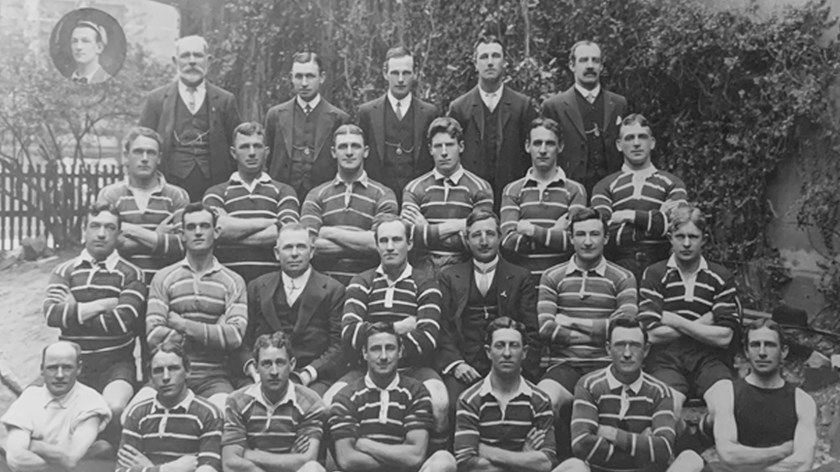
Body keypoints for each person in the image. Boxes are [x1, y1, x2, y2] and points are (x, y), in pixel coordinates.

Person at [333, 215, 449, 449]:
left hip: (414, 370)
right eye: (383, 240)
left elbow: (426, 339)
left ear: (410, 244)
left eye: (396, 239)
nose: (389, 247)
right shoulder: (361, 281)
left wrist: (374, 338)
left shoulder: (426, 283)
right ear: (376, 245)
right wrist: (397, 328)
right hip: (364, 370)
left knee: (439, 402)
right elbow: (349, 335)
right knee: (329, 402)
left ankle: (431, 460)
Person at [536, 208, 637, 458]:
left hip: (608, 367)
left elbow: (625, 327)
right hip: (565, 365)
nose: (588, 241)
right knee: (544, 399)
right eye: (580, 234)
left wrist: (570, 321)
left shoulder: (622, 277)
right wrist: (602, 332)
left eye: (595, 234)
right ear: (570, 238)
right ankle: (550, 461)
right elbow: (547, 328)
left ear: (606, 238)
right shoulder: (552, 276)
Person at [43, 203, 147, 442]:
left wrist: (73, 307)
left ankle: (100, 459)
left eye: (110, 227)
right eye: (95, 226)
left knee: (113, 409)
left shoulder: (131, 273)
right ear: (84, 230)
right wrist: (102, 305)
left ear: (119, 234)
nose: (101, 234)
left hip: (115, 364)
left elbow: (121, 322)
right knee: (36, 403)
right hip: (71, 363)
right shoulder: (64, 270)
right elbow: (51, 315)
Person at [637, 204, 741, 426]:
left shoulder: (720, 277)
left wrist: (674, 319)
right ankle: (678, 455)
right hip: (666, 360)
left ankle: (712, 443)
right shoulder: (655, 274)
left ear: (703, 239)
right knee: (667, 412)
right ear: (670, 238)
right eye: (680, 236)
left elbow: (724, 337)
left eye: (693, 237)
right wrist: (702, 323)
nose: (686, 243)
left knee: (726, 407)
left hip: (709, 359)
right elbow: (652, 335)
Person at [557, 316, 702, 472]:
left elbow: (664, 449)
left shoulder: (660, 391)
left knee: (691, 459)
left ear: (646, 350)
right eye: (619, 345)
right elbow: (581, 444)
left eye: (635, 346)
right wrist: (641, 446)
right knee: (574, 466)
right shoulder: (589, 385)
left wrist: (614, 435)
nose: (627, 353)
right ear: (608, 348)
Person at [145, 203, 248, 410]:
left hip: (213, 378)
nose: (198, 232)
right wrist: (213, 331)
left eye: (204, 226)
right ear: (182, 234)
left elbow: (235, 337)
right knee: (130, 414)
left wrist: (180, 324)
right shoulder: (164, 277)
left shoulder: (233, 281)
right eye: (191, 227)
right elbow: (153, 336)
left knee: (223, 414)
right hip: (168, 374)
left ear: (216, 231)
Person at [437, 209, 540, 416]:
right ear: (466, 239)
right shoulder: (449, 276)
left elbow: (531, 329)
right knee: (454, 405)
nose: (484, 241)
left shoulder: (520, 276)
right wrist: (456, 364)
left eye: (490, 234)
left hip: (508, 363)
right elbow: (443, 327)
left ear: (500, 236)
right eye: (476, 235)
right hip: (464, 366)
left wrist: (518, 368)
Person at [329, 322, 457, 472]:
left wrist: (366, 445)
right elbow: (347, 460)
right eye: (376, 349)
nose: (383, 356)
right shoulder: (346, 397)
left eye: (390, 348)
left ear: (400, 351)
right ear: (364, 353)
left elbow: (415, 457)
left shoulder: (415, 392)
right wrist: (399, 460)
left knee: (444, 460)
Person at [236, 223, 346, 395]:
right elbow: (244, 341)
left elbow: (338, 347)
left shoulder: (333, 290)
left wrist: (307, 375)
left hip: (313, 378)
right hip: (263, 375)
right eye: (288, 247)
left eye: (301, 247)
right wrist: (255, 372)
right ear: (276, 253)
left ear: (311, 252)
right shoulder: (256, 287)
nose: (294, 253)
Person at [704, 320, 817, 472]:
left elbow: (802, 462)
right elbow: (729, 456)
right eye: (755, 345)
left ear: (783, 351)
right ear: (746, 351)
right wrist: (782, 451)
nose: (762, 352)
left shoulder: (802, 401)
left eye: (770, 345)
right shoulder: (727, 393)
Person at [139, 35, 241, 201]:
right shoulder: (156, 100)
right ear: (175, 61)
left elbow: (236, 146)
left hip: (214, 184)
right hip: (170, 184)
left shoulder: (225, 100)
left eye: (198, 55)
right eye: (185, 56)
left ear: (208, 61)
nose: (192, 61)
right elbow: (142, 143)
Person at [454, 316, 558, 472]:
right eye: (500, 346)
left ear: (524, 352)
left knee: (576, 467)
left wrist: (489, 452)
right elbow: (466, 462)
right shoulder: (469, 399)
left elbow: (547, 462)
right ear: (489, 352)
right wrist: (524, 457)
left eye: (514, 346)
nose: (507, 353)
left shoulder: (540, 399)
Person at [591, 114, 688, 282]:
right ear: (619, 145)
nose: (636, 143)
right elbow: (601, 233)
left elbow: (678, 227)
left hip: (664, 270)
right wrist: (656, 220)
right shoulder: (604, 185)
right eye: (629, 138)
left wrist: (626, 216)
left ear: (652, 142)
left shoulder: (671, 183)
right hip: (616, 271)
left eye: (642, 137)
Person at [300, 124, 398, 285]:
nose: (349, 152)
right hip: (324, 286)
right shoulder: (316, 195)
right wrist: (361, 240)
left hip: (369, 285)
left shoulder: (383, 195)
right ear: (333, 152)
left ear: (365, 151)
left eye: (355, 146)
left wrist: (327, 233)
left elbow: (381, 245)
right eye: (343, 147)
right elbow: (307, 246)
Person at [448, 34, 538, 207]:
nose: (490, 62)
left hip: (513, 197)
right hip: (471, 198)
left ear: (505, 62)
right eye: (484, 57)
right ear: (475, 64)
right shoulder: (459, 108)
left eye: (496, 56)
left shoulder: (522, 106)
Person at [203, 122, 300, 283]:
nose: (252, 153)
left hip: (272, 283)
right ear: (233, 153)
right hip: (227, 282)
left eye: (257, 146)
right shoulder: (216, 193)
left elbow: (288, 234)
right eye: (244, 147)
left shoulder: (283, 191)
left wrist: (232, 231)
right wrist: (272, 223)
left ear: (266, 152)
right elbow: (216, 232)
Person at [402, 116, 494, 282]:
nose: (444, 152)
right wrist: (458, 225)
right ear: (430, 149)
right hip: (423, 271)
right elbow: (409, 237)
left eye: (450, 145)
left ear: (461, 146)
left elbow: (480, 240)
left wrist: (427, 229)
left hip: (463, 272)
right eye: (438, 146)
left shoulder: (480, 188)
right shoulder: (414, 188)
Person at [97, 126, 190, 284]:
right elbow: (104, 246)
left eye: (151, 152)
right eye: (138, 152)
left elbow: (182, 246)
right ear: (126, 156)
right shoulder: (110, 195)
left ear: (159, 158)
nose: (145, 158)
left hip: (164, 286)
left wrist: (129, 229)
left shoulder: (176, 196)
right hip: (120, 286)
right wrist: (158, 237)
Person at [0, 341, 112, 472]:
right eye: (52, 368)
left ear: (79, 368)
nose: (59, 375)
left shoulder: (91, 401)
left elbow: (71, 458)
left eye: (67, 368)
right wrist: (59, 460)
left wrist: (34, 445)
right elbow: (16, 459)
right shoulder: (30, 397)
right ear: (42, 369)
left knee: (102, 449)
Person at [222, 333, 326, 472]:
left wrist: (249, 454)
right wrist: (289, 458)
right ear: (256, 366)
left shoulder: (310, 402)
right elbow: (231, 463)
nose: (274, 371)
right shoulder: (237, 401)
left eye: (280, 362)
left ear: (292, 364)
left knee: (312, 469)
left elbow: (307, 459)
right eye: (266, 364)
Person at [501, 118, 587, 283]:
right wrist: (554, 232)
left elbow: (575, 242)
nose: (542, 150)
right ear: (527, 146)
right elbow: (508, 243)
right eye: (537, 143)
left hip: (562, 283)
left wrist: (531, 230)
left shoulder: (575, 190)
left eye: (550, 144)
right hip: (523, 284)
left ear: (560, 147)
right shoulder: (513, 190)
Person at [117, 342, 222, 472]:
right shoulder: (138, 413)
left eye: (173, 368)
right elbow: (121, 470)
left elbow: (208, 469)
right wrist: (165, 469)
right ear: (150, 377)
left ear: (188, 371)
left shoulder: (208, 414)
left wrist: (147, 468)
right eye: (158, 371)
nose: (166, 377)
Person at [541, 40, 627, 193]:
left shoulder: (619, 104)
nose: (590, 66)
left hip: (614, 191)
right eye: (583, 60)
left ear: (601, 66)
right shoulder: (554, 107)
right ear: (572, 65)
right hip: (569, 192)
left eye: (595, 60)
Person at [264, 52, 350, 199]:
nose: (304, 83)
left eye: (310, 76)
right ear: (291, 77)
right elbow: (267, 159)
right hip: (281, 198)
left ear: (322, 77)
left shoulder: (339, 119)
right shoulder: (275, 115)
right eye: (298, 76)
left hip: (324, 199)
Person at [358, 46, 440, 199]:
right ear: (385, 73)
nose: (401, 79)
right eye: (395, 73)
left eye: (406, 73)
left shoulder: (429, 113)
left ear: (414, 74)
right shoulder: (367, 113)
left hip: (420, 198)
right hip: (378, 199)